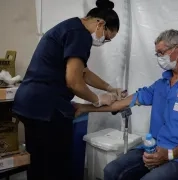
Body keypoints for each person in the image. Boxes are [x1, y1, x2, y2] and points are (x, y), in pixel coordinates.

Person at [74, 29, 178, 180]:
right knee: (111, 171)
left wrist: (170, 154)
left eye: (161, 52)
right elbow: (120, 104)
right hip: (155, 149)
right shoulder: (160, 85)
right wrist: (85, 108)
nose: (159, 58)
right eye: (157, 54)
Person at [12, 0, 124, 180]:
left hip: (29, 104)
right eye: (107, 38)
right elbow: (73, 81)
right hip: (45, 109)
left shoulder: (70, 27)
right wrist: (97, 99)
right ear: (100, 24)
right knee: (56, 166)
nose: (104, 41)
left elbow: (83, 72)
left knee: (40, 163)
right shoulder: (81, 35)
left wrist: (110, 87)